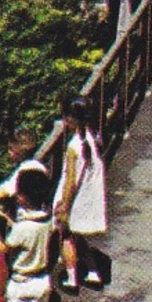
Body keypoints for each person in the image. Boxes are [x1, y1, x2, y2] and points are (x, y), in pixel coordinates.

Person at [3, 167, 57, 302]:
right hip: (41, 279)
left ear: (23, 197)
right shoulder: (46, 221)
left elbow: (5, 247)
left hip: (20, 281)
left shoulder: (22, 228)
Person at [53, 97, 107, 290]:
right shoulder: (92, 138)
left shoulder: (74, 146)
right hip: (88, 196)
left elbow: (70, 180)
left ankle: (71, 277)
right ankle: (92, 272)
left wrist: (64, 205)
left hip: (75, 198)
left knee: (67, 237)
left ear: (70, 119)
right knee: (78, 237)